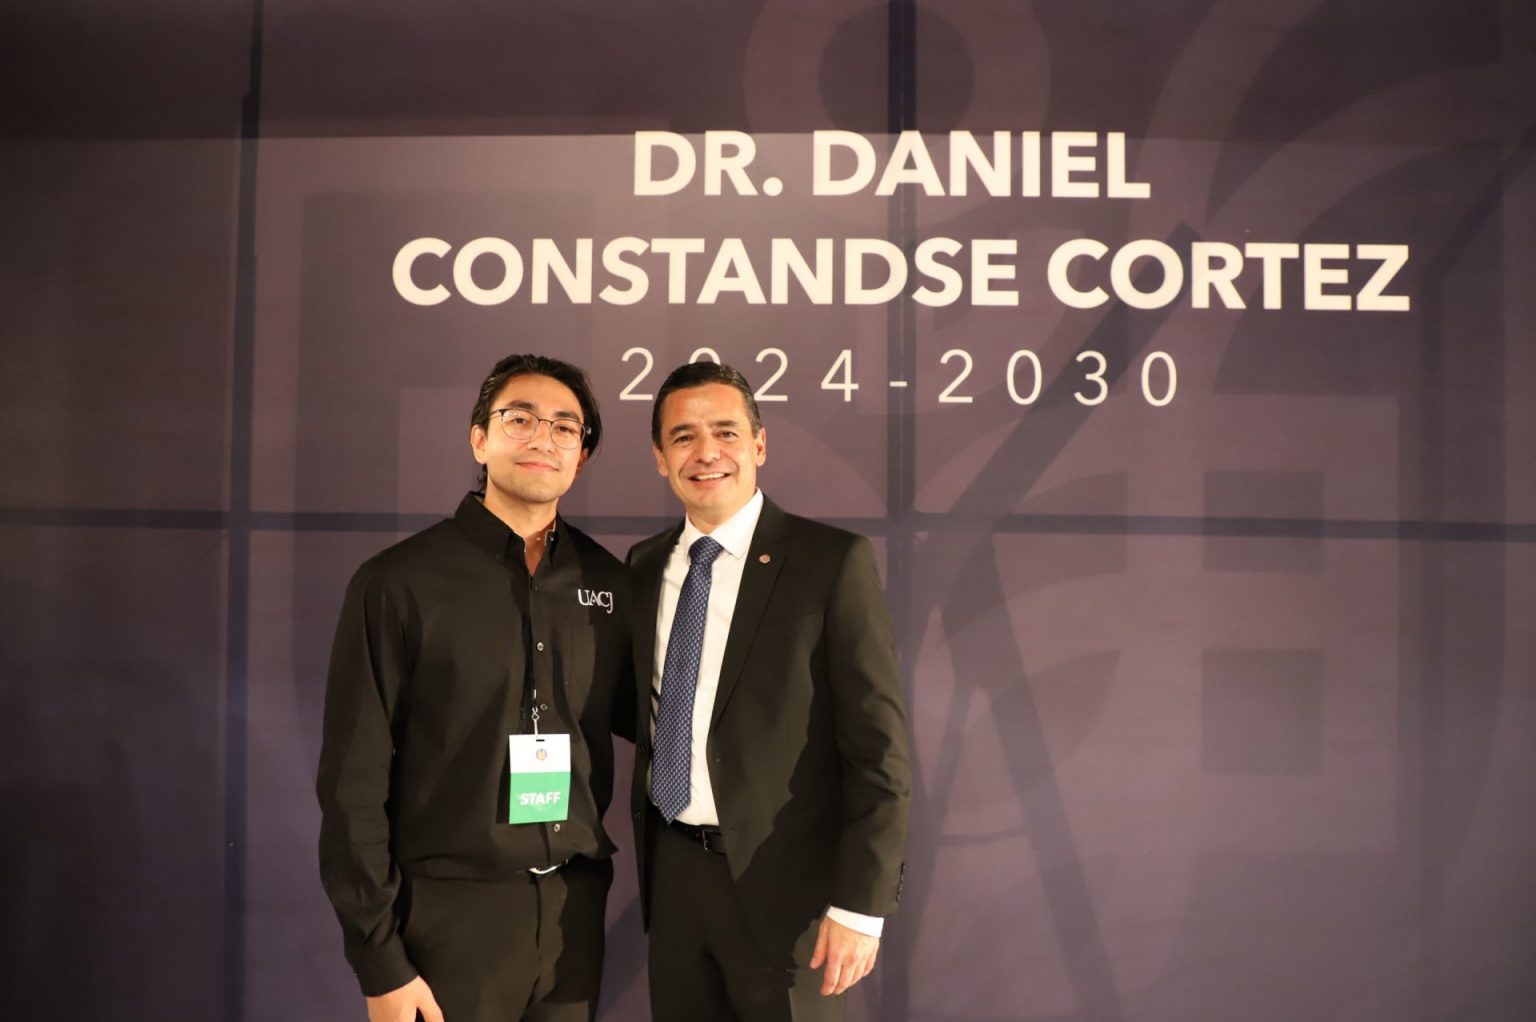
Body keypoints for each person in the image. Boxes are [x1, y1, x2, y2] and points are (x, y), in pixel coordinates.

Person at [316, 354, 629, 1022]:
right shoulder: (398, 583)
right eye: (520, 419)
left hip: (573, 917)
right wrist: (380, 960)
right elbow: (352, 783)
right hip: (446, 919)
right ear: (479, 438)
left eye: (565, 427)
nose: (543, 437)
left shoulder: (609, 583)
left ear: (581, 456)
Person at [627, 361, 912, 1021]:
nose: (707, 452)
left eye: (726, 432)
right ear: (660, 458)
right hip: (674, 880)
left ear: (759, 445)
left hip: (792, 897)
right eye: (683, 437)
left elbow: (880, 749)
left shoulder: (831, 561)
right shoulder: (644, 565)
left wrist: (861, 906)